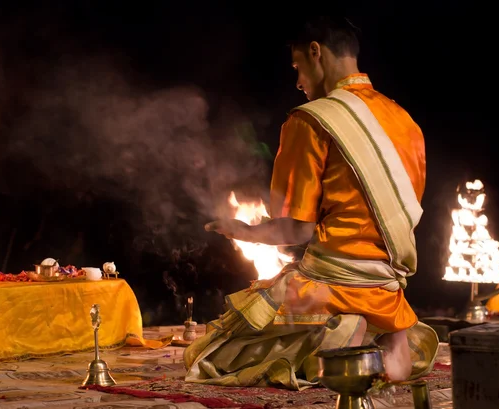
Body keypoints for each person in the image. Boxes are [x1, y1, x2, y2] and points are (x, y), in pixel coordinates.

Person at [184, 16, 438, 390]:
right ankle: (388, 336)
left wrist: (243, 231)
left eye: (297, 67)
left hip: (328, 287)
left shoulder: (310, 121)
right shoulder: (406, 122)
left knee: (209, 353)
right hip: (388, 290)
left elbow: (296, 229)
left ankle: (343, 332)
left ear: (316, 53)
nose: (298, 82)